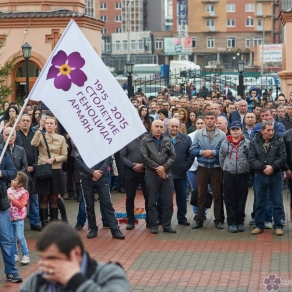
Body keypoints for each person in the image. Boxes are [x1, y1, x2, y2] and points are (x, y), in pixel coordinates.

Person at [19, 222, 130, 292]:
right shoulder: (35, 283)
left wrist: (75, 280)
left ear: (76, 253)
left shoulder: (109, 274)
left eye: (52, 258)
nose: (44, 264)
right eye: (42, 258)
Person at [249, 121, 287, 236]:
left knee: (277, 201)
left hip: (275, 175)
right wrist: (263, 167)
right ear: (262, 131)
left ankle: (278, 226)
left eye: (272, 130)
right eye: (268, 130)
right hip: (260, 175)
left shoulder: (279, 141)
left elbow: (283, 157)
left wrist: (273, 167)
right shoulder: (254, 142)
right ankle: (259, 225)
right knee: (259, 201)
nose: (271, 132)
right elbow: (251, 159)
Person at [75, 153, 125, 239]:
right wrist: (92, 172)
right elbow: (78, 160)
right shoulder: (82, 141)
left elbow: (108, 157)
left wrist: (99, 172)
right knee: (89, 205)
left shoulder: (101, 140)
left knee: (107, 204)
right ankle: (93, 228)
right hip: (86, 178)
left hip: (101, 177)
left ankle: (115, 229)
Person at [190, 112, 226, 230]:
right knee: (201, 195)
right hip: (202, 167)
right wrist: (203, 152)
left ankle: (218, 220)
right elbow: (193, 149)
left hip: (216, 168)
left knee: (217, 195)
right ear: (205, 120)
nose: (210, 120)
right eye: (208, 118)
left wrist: (213, 153)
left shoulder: (221, 134)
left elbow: (224, 150)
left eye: (212, 118)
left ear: (215, 120)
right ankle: (199, 219)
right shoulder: (199, 134)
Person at [140, 120, 176, 234]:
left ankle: (166, 225)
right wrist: (158, 168)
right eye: (156, 126)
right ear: (151, 127)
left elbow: (172, 156)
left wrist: (164, 167)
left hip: (167, 174)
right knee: (152, 202)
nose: (159, 129)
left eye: (161, 127)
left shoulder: (167, 140)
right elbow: (145, 158)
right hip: (151, 175)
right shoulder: (145, 140)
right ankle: (154, 225)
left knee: (168, 202)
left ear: (164, 128)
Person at [31, 116, 68, 227]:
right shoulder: (41, 136)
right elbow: (33, 143)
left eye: (51, 123)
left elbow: (65, 155)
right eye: (47, 123)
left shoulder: (61, 138)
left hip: (56, 170)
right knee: (43, 197)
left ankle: (54, 222)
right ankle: (44, 223)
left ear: (55, 125)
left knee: (54, 198)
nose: (49, 125)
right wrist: (40, 128)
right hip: (43, 170)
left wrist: (55, 159)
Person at [219, 121, 250, 233]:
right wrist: (227, 168)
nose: (235, 131)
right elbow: (221, 158)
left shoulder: (247, 143)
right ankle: (231, 222)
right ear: (230, 130)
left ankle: (240, 221)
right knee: (229, 199)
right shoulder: (225, 142)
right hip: (228, 174)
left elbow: (250, 158)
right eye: (233, 129)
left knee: (241, 199)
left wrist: (245, 168)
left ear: (241, 130)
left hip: (243, 174)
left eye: (237, 129)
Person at [15, 114, 41, 231]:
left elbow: (40, 153)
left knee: (34, 198)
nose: (25, 122)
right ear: (19, 123)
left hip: (34, 170)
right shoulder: (15, 135)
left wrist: (34, 166)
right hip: (19, 172)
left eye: (27, 121)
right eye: (23, 120)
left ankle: (34, 222)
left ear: (31, 122)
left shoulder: (35, 135)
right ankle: (18, 222)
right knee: (19, 198)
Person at [0, 141, 22, 282]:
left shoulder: (2, 152)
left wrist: (2, 173)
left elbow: (13, 172)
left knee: (6, 239)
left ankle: (11, 271)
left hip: (0, 203)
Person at [166, 118, 194, 226]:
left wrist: (185, 167)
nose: (174, 128)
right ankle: (164, 218)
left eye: (176, 126)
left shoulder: (186, 139)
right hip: (166, 173)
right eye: (172, 126)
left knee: (182, 198)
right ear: (168, 126)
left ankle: (182, 218)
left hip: (181, 174)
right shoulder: (163, 137)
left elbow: (190, 155)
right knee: (165, 199)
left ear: (179, 127)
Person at [120, 134, 149, 230]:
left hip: (145, 171)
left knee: (148, 196)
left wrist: (142, 165)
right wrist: (133, 166)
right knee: (130, 197)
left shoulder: (147, 138)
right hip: (130, 171)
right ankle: (130, 221)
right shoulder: (126, 139)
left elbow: (152, 154)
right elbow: (122, 156)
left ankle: (149, 221)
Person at [8, 172, 30, 265]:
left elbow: (21, 205)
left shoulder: (24, 193)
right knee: (12, 238)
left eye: (15, 180)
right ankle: (15, 255)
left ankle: (26, 255)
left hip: (19, 218)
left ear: (20, 183)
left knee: (20, 237)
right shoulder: (9, 190)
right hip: (10, 217)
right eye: (12, 179)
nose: (12, 181)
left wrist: (12, 199)